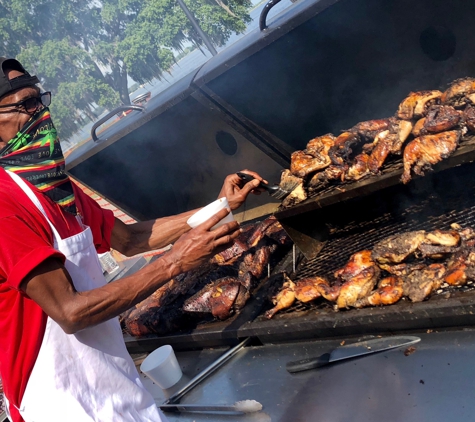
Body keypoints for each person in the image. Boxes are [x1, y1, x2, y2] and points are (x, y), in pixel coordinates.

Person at [0, 57, 266, 422]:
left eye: (40, 100)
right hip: (61, 402)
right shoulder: (4, 205)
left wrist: (219, 206)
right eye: (25, 105)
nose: (42, 115)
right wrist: (174, 261)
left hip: (115, 380)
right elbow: (70, 312)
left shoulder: (55, 188)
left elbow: (131, 238)